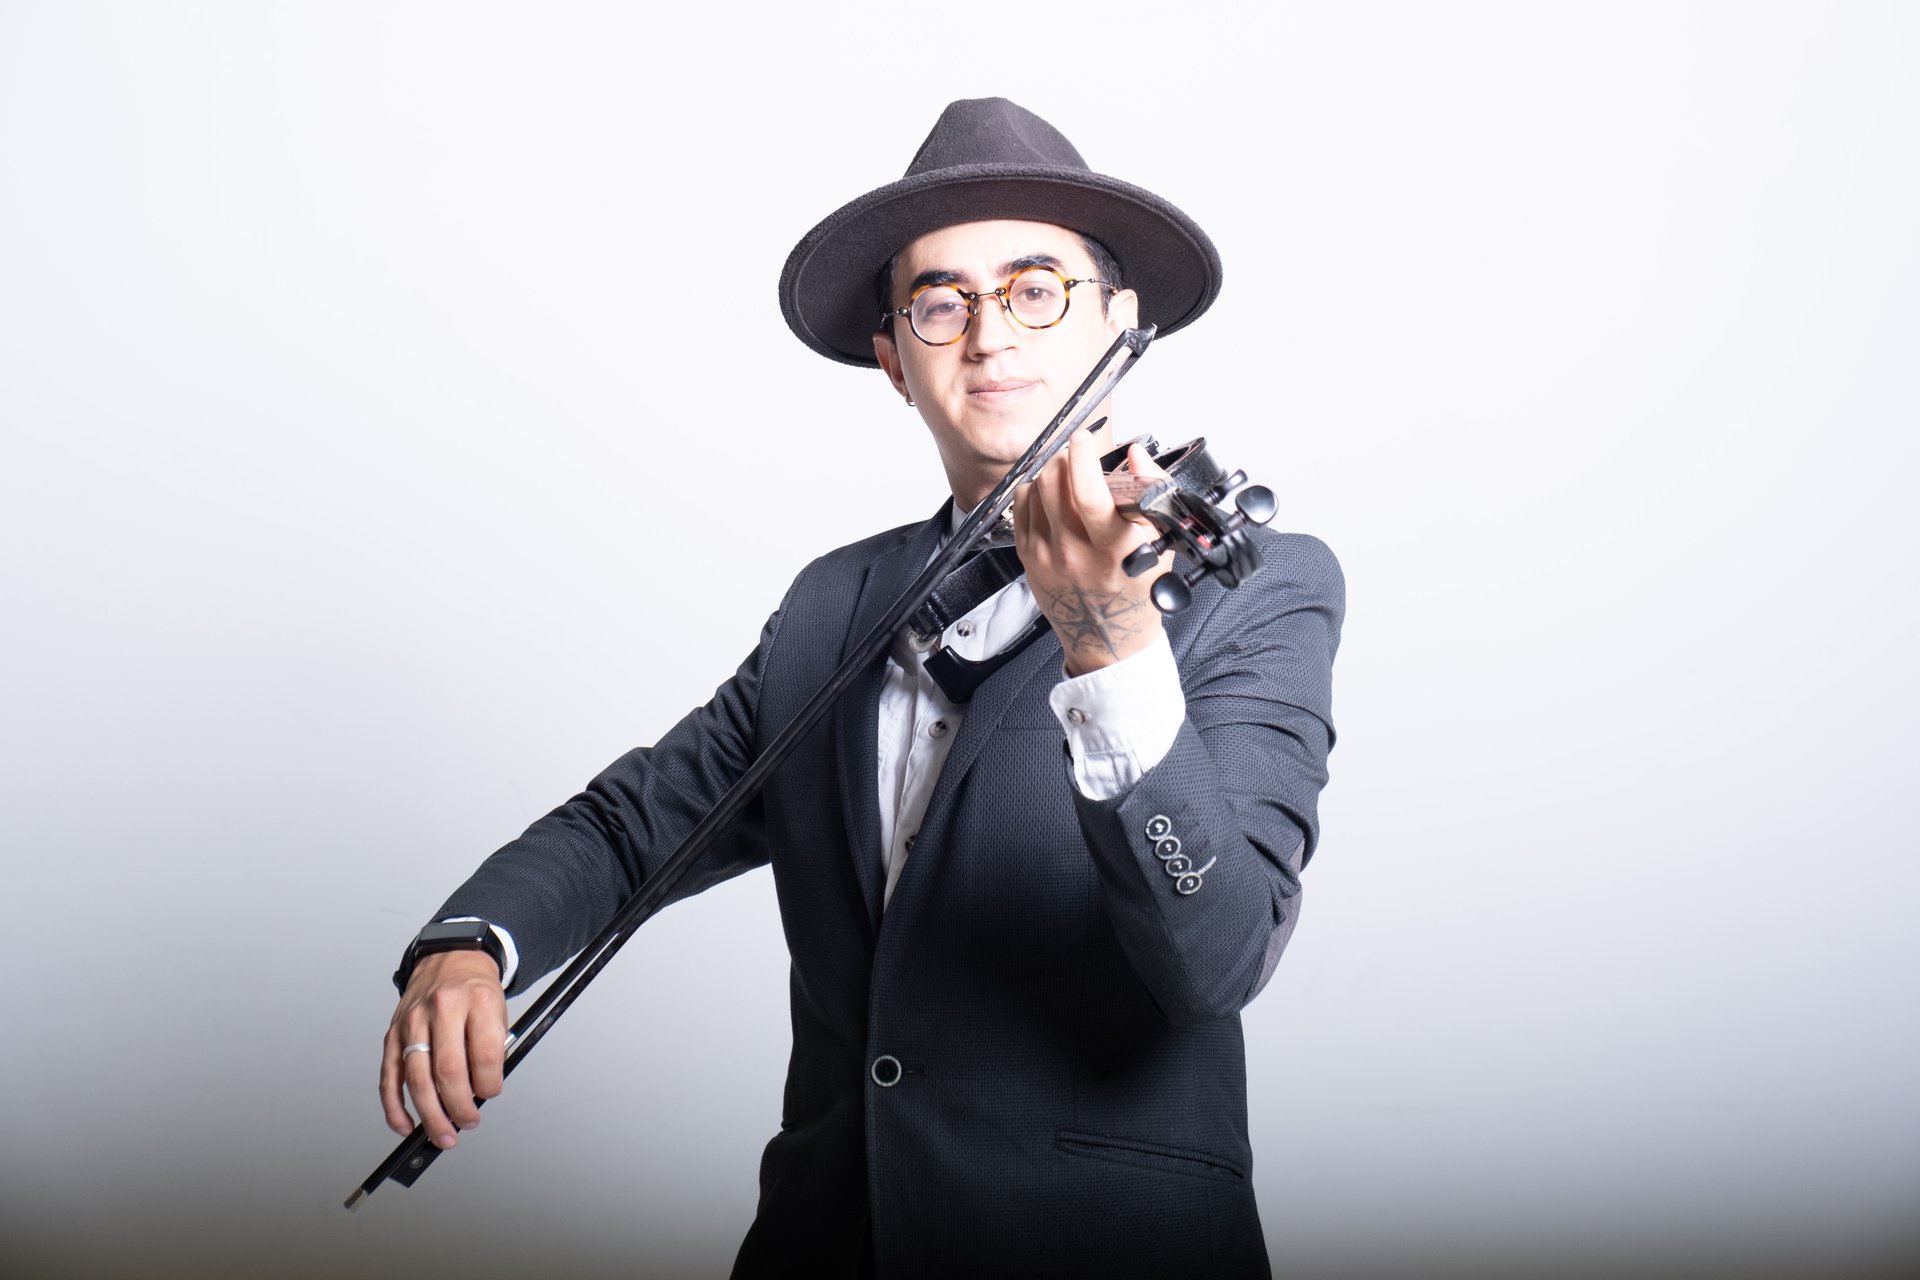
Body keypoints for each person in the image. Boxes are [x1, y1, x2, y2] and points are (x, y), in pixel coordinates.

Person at [377, 97, 1343, 1278]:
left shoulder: (1258, 589)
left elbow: (1220, 953)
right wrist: (474, 944)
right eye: (942, 302)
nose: (991, 335)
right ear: (895, 357)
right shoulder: (836, 600)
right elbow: (637, 823)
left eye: (1037, 287)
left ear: (1119, 322)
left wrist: (1110, 645)